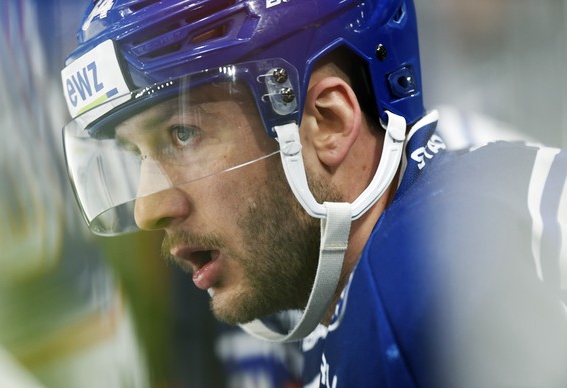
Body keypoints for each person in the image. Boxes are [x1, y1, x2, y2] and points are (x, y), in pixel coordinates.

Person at [60, 0, 567, 387]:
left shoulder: (468, 241)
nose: (148, 207)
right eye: (136, 155)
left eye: (183, 133)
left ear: (328, 122)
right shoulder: (332, 298)